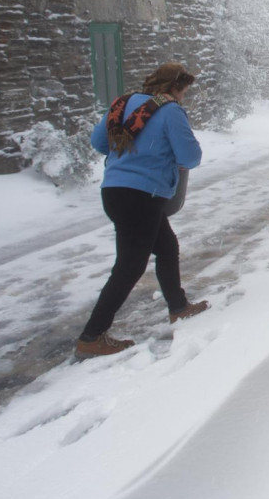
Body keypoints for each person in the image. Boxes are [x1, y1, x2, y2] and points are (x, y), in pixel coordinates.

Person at [76, 62, 210, 359]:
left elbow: (100, 143)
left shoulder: (122, 103)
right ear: (176, 86)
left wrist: (135, 152)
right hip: (142, 195)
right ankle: (91, 336)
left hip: (114, 191)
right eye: (184, 91)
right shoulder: (170, 110)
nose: (183, 97)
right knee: (129, 266)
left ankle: (178, 307)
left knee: (166, 246)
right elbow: (190, 156)